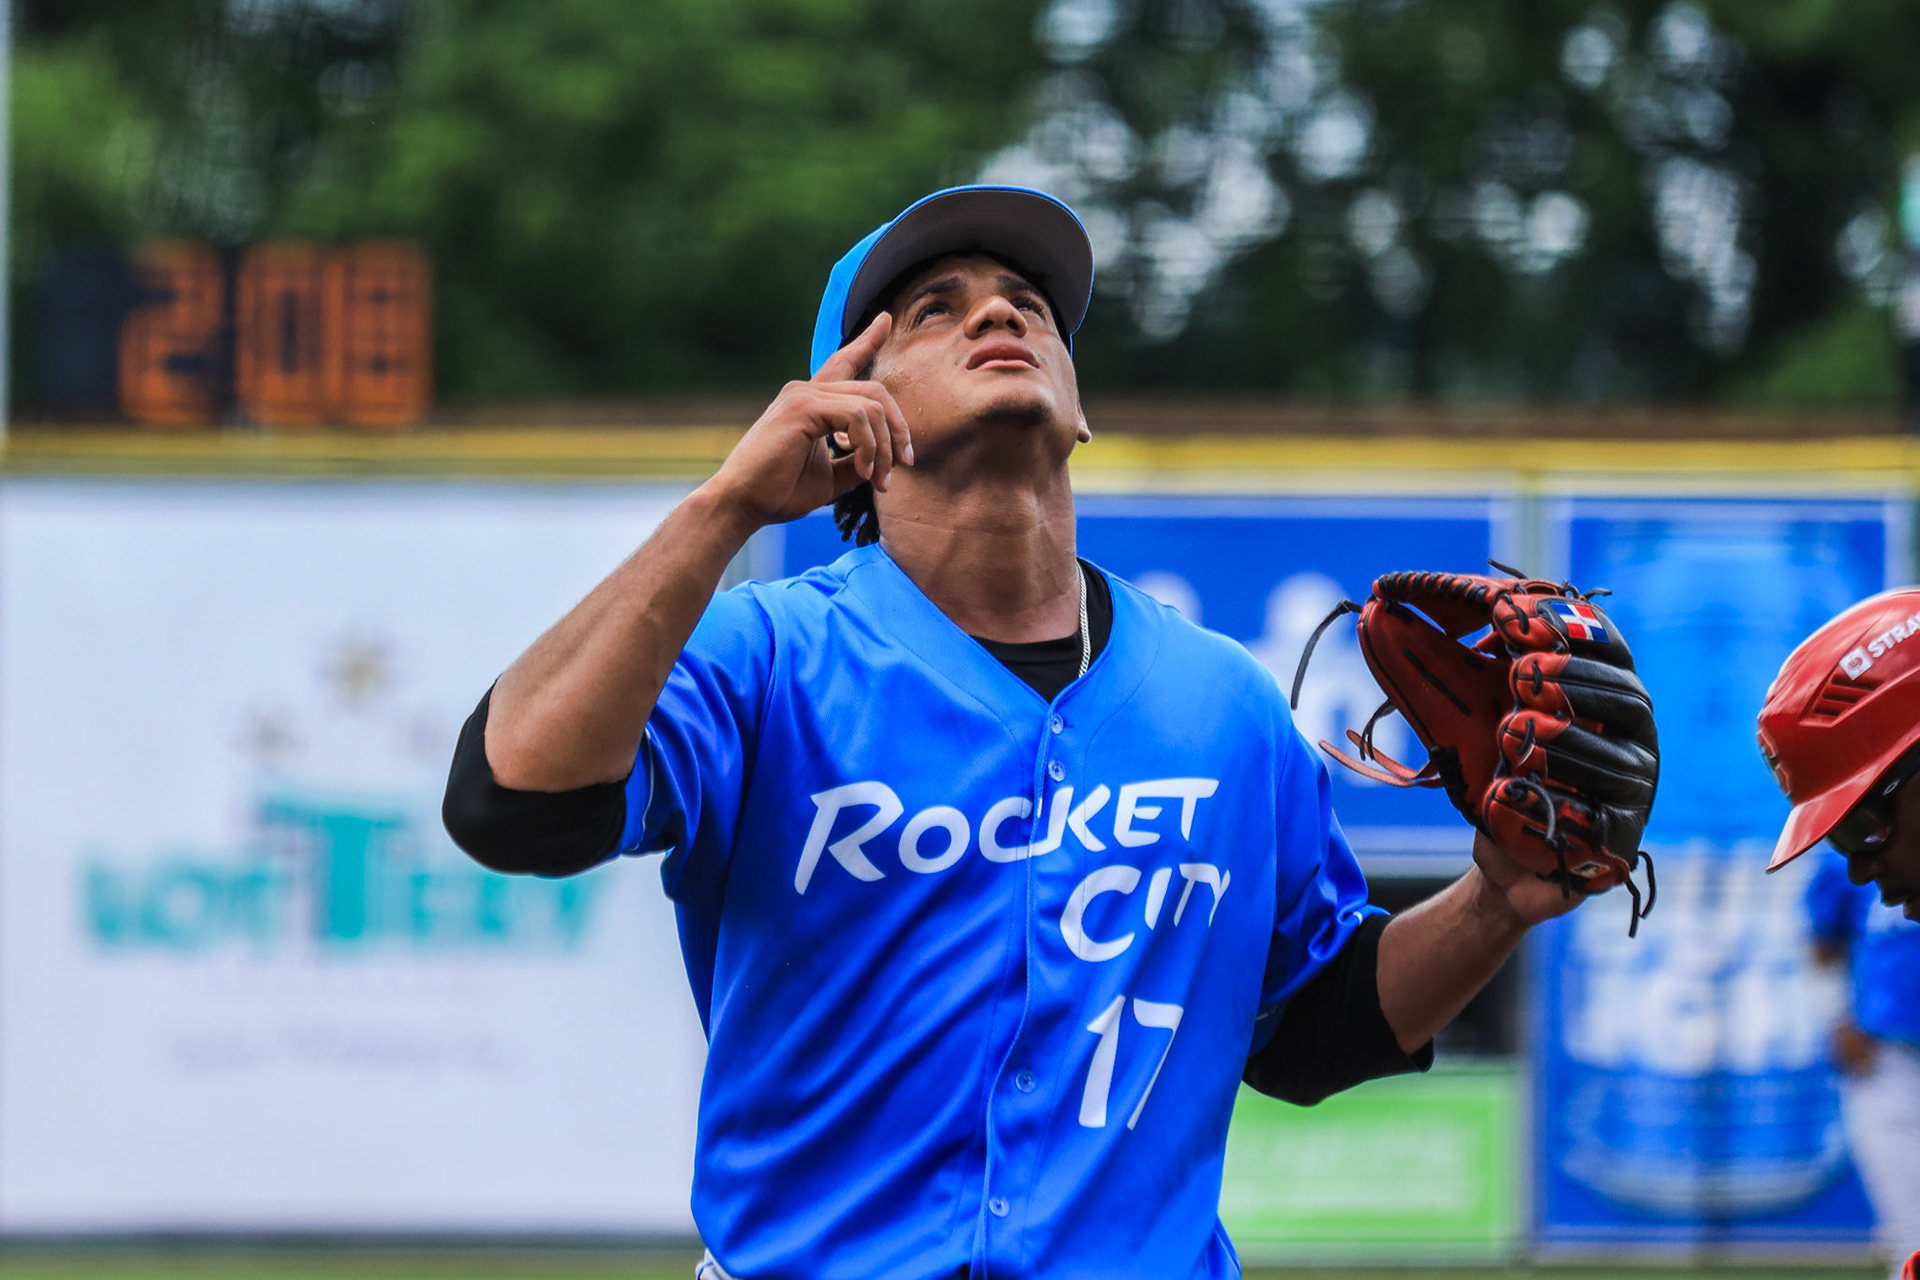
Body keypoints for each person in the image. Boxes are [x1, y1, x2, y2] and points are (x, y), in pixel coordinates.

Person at [443, 185, 1635, 1280]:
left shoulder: (1221, 698)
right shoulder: (765, 657)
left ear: (1081, 408)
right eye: (933, 310)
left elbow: (1310, 1028)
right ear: (845, 401)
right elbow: (512, 800)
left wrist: (1498, 898)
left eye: (1030, 306)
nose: (999, 315)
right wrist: (727, 505)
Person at [1759, 588, 1920, 1280]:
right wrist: (1836, 1016)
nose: (1856, 866)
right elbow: (1822, 936)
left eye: (1859, 823)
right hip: (1893, 1059)